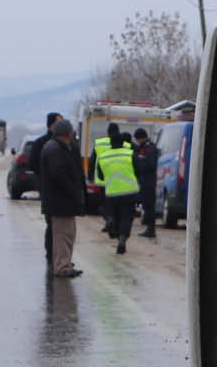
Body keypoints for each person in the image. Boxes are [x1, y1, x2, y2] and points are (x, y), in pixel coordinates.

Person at [38, 118, 86, 279]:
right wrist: (72, 190)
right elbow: (58, 174)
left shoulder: (58, 147)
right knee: (62, 235)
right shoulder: (55, 149)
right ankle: (62, 266)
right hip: (60, 201)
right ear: (66, 133)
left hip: (61, 201)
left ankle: (64, 263)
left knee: (67, 234)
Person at [24, 111, 62, 264]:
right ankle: (51, 255)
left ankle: (61, 256)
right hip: (48, 188)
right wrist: (45, 177)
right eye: (58, 122)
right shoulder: (41, 143)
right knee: (51, 222)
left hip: (62, 188)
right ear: (51, 125)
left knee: (62, 225)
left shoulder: (65, 141)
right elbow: (33, 163)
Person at [97, 131, 140, 254]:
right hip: (129, 192)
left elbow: (100, 175)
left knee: (114, 215)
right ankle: (122, 238)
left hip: (111, 192)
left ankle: (111, 221)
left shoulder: (103, 156)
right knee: (126, 217)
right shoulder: (130, 154)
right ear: (123, 143)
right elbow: (138, 171)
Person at [132, 127, 160, 239]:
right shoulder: (143, 147)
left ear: (141, 138)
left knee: (149, 206)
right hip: (144, 180)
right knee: (146, 205)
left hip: (149, 181)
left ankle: (151, 229)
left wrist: (140, 163)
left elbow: (150, 164)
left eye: (137, 139)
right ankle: (149, 228)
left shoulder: (150, 148)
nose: (136, 142)